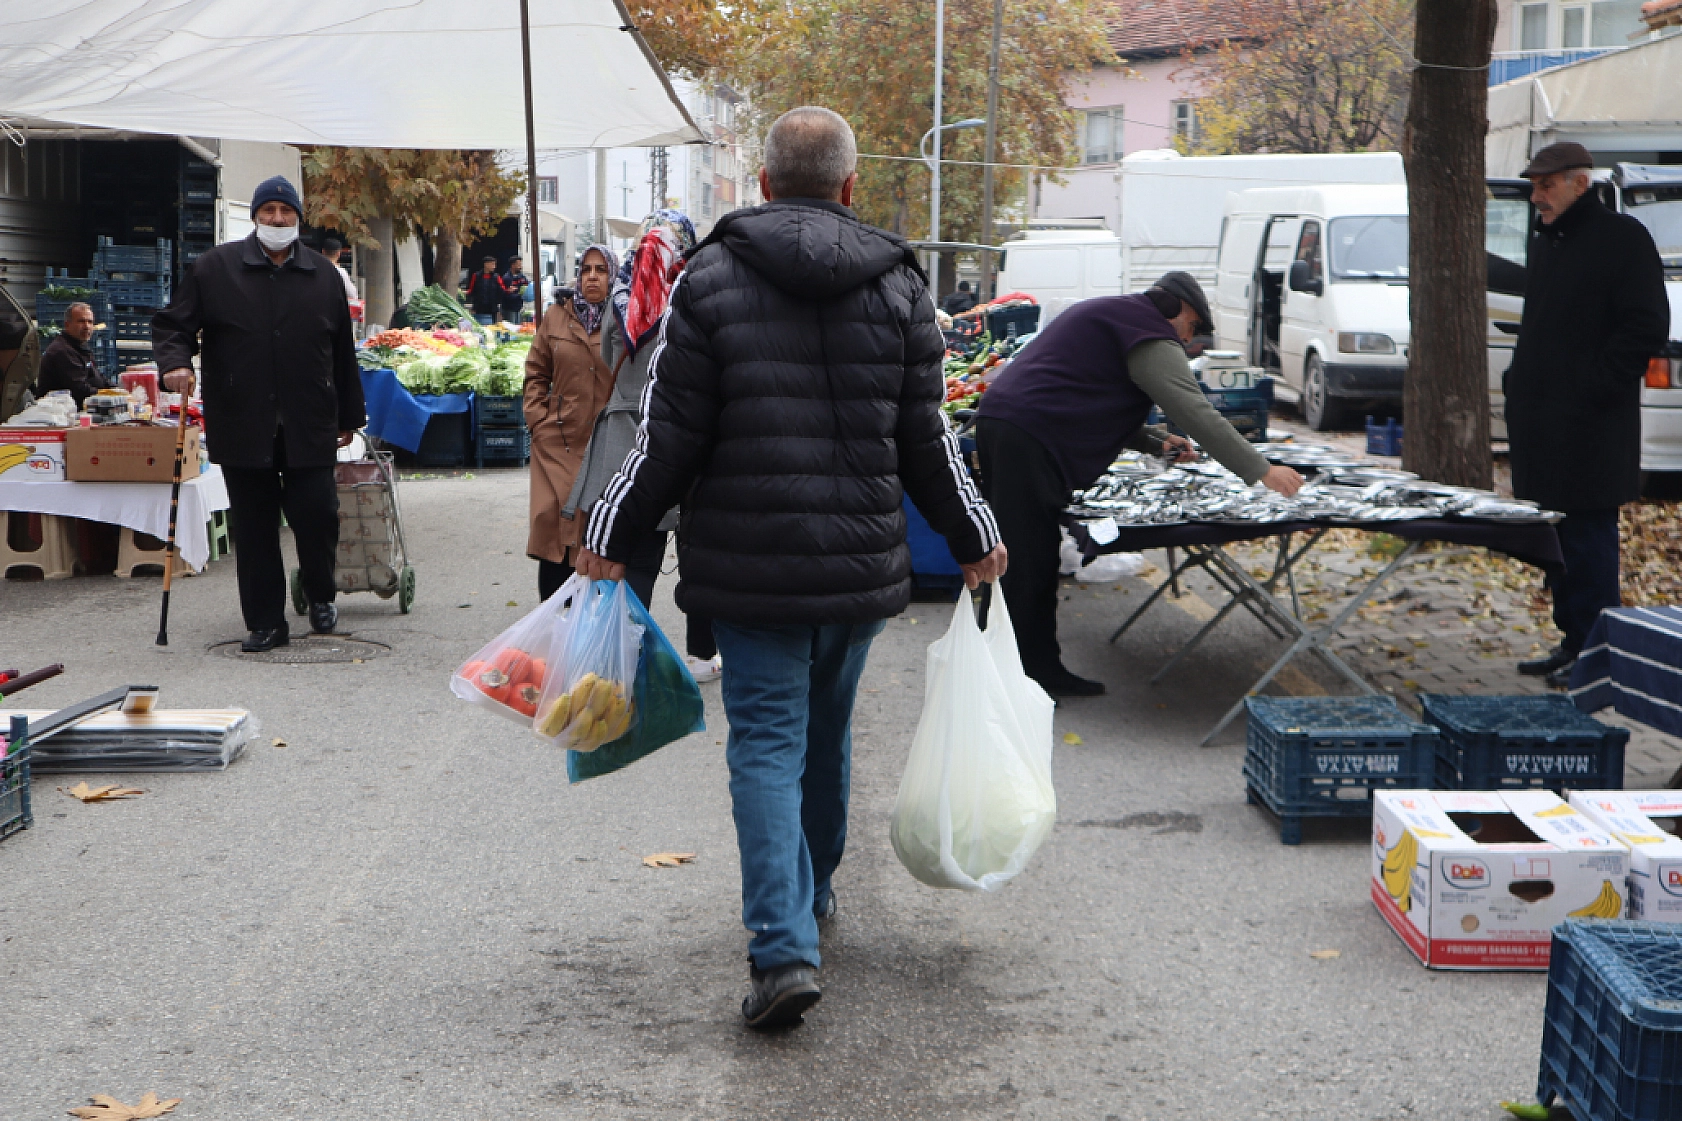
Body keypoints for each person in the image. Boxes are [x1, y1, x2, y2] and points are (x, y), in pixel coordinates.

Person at [576, 106, 1006, 1030]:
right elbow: (927, 438)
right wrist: (974, 533)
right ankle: (810, 898)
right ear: (851, 188)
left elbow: (666, 437)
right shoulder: (898, 285)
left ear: (764, 186)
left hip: (752, 567)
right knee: (826, 733)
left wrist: (608, 529)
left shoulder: (712, 278)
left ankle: (782, 950)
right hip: (856, 573)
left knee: (767, 743)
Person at [975, 271, 1303, 698]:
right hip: (1029, 435)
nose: (1189, 339)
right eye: (1192, 327)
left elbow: (1082, 391)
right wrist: (1261, 470)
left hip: (1007, 425)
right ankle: (1019, 678)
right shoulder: (1148, 333)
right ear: (1174, 309)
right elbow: (1195, 410)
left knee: (1020, 555)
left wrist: (1154, 440)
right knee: (1029, 563)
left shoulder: (1115, 316)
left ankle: (1016, 667)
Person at [154, 175, 364, 652]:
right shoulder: (215, 269)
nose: (277, 219)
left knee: (318, 515)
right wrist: (175, 364)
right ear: (254, 217)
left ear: (298, 218)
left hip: (309, 419)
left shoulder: (323, 274)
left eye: (285, 211)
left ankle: (320, 591)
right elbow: (173, 326)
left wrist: (349, 413)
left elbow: (342, 351)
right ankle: (266, 621)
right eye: (268, 211)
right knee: (254, 527)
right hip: (243, 419)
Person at [1506, 142, 1670, 688]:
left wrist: (1594, 384)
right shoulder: (1550, 241)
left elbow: (1645, 327)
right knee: (1555, 541)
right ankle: (1573, 641)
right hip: (1544, 425)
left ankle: (1601, 655)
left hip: (1591, 426)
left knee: (1589, 542)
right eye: (1533, 186)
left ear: (1579, 183)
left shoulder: (1621, 239)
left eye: (1545, 186)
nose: (1536, 197)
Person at [563, 209, 723, 679]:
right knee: (698, 552)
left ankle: (622, 651)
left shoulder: (620, 299)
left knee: (634, 549)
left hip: (623, 435)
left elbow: (611, 358)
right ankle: (701, 653)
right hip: (685, 434)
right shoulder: (696, 295)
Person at [524, 244, 631, 602]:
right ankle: (552, 619)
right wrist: (538, 421)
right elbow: (536, 372)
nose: (593, 277)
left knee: (595, 533)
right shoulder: (557, 316)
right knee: (554, 531)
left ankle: (589, 631)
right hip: (558, 442)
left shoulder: (625, 318)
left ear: (612, 276)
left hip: (606, 445)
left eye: (601, 270)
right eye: (586, 270)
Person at [35, 302, 107, 408]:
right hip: (58, 413)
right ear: (67, 325)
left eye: (90, 322)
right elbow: (79, 389)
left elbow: (96, 377)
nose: (86, 326)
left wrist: (119, 391)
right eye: (81, 321)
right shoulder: (62, 351)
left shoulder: (80, 347)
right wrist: (107, 395)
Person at [465, 256, 508, 324]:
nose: (494, 267)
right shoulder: (476, 276)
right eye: (492, 264)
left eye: (494, 264)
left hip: (492, 307)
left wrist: (508, 291)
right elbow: (471, 290)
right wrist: (464, 293)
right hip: (479, 307)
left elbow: (502, 290)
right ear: (486, 264)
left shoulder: (496, 277)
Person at [319, 237, 359, 304]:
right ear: (338, 253)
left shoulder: (315, 268)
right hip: (332, 308)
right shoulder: (340, 272)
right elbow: (352, 294)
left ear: (323, 251)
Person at [501, 256, 530, 323]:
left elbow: (527, 286)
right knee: (511, 328)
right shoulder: (506, 278)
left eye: (521, 264)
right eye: (518, 265)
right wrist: (519, 295)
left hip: (519, 307)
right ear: (513, 265)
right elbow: (505, 294)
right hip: (509, 308)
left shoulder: (522, 277)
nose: (520, 267)